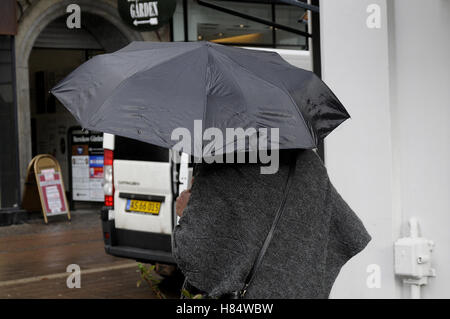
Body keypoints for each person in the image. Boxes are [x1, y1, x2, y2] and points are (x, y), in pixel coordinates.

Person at [172, 149, 371, 299]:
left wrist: (187, 213)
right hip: (294, 290)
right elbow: (347, 230)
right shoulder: (307, 161)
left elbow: (193, 249)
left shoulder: (221, 156)